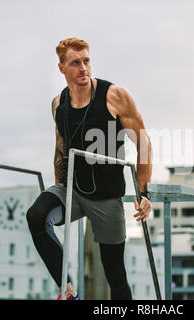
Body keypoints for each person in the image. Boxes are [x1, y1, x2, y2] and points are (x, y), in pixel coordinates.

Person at [26, 37, 153, 300]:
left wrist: (144, 192)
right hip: (72, 192)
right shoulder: (58, 104)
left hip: (107, 197)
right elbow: (60, 148)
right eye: (75, 63)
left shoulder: (115, 96)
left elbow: (143, 142)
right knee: (36, 215)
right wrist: (58, 187)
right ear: (62, 68)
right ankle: (68, 291)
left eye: (86, 61)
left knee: (115, 275)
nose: (83, 67)